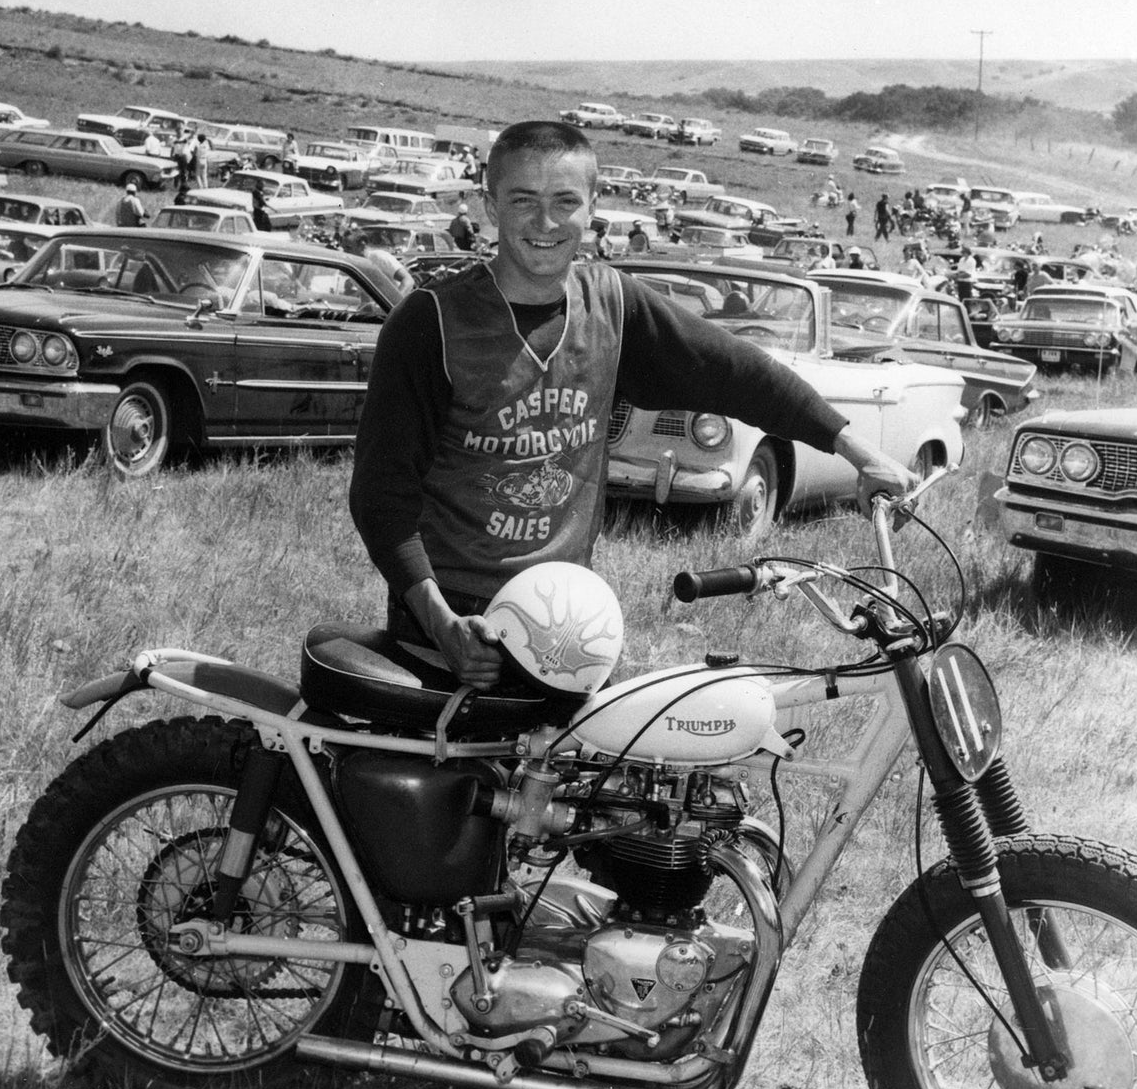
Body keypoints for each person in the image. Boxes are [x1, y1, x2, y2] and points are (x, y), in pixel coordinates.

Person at [348, 120, 914, 688]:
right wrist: (440, 621)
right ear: (489, 205)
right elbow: (381, 494)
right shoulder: (431, 322)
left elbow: (735, 371)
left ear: (592, 209)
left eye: (565, 201)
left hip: (567, 610)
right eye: (523, 200)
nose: (545, 222)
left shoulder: (612, 303)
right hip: (451, 615)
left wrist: (856, 449)